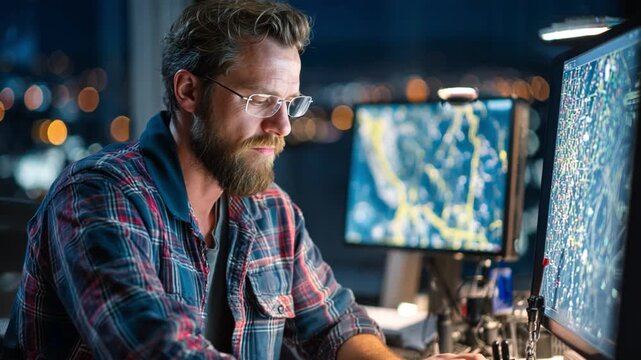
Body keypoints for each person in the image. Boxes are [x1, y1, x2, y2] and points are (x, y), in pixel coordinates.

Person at [3, 1, 486, 359]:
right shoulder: (98, 197)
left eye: (291, 103)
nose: (283, 127)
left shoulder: (270, 210)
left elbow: (336, 326)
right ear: (189, 91)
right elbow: (159, 350)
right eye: (259, 101)